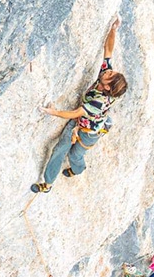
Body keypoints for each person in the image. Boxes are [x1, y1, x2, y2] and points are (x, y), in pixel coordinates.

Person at [31, 16, 128, 193]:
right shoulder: (106, 78)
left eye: (110, 75)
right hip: (84, 122)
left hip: (88, 131)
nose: (108, 72)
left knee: (75, 155)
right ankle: (48, 183)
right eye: (110, 72)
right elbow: (108, 50)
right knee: (60, 149)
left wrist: (50, 111)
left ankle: (77, 169)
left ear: (107, 87)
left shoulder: (98, 102)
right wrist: (113, 29)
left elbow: (74, 113)